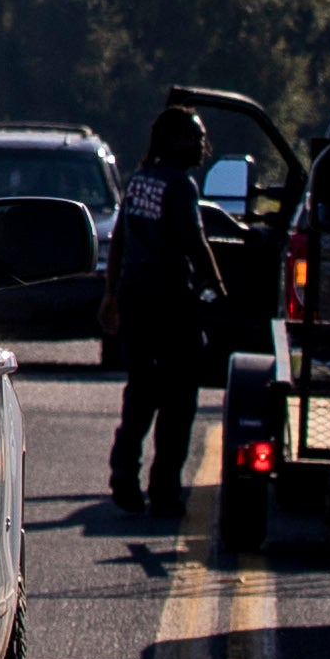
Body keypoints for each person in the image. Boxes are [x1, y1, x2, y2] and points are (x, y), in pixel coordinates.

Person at [107, 103, 225, 516]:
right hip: (171, 302)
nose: (201, 145)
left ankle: (123, 474)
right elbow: (194, 241)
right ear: (172, 139)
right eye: (194, 136)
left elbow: (121, 240)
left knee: (141, 390)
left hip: (136, 298)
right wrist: (218, 288)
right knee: (178, 399)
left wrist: (112, 294)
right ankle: (164, 489)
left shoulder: (140, 181)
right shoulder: (180, 186)